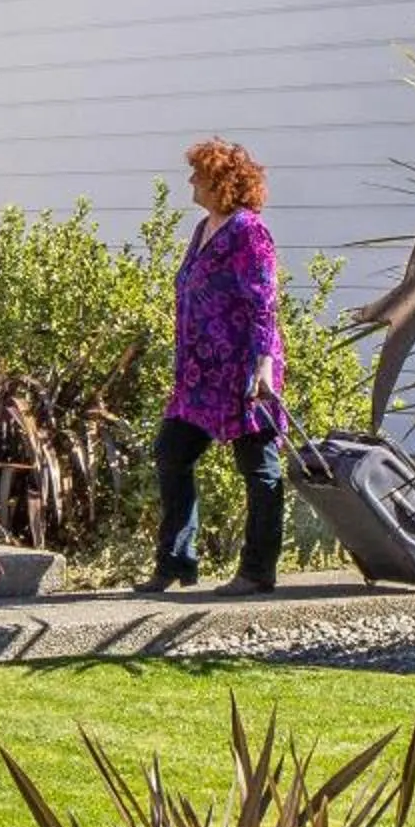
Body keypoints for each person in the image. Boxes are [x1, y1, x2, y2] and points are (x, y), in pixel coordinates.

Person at [145, 138, 287, 595]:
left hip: (243, 368)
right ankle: (175, 563)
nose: (191, 180)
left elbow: (264, 301)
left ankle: (257, 570)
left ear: (220, 182)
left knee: (258, 468)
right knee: (172, 453)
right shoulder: (204, 227)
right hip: (199, 374)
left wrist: (263, 364)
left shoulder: (249, 231)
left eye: (199, 174)